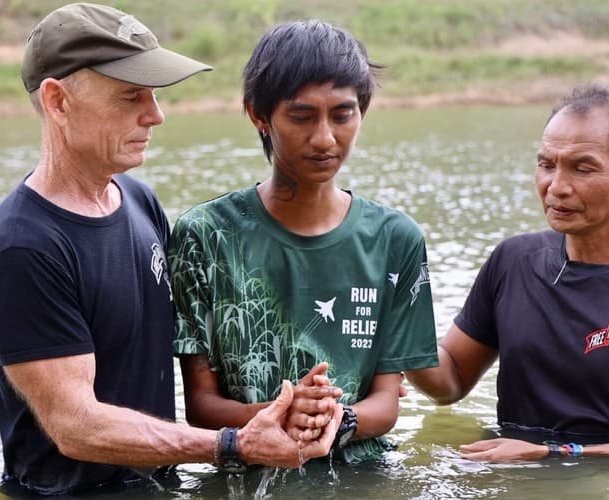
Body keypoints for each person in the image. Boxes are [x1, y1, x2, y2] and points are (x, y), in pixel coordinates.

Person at [0, 3, 341, 496]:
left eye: (154, 94)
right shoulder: (25, 248)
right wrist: (231, 445)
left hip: (160, 485)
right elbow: (76, 426)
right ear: (58, 102)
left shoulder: (138, 200)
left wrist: (276, 406)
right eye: (130, 97)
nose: (156, 114)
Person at [406, 82, 609, 461]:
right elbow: (452, 379)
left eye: (582, 168)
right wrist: (396, 324)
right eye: (546, 164)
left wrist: (552, 453)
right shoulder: (513, 261)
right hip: (516, 472)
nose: (556, 187)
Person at [169, 19, 439, 465]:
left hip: (362, 474)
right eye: (301, 116)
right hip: (248, 472)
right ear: (259, 115)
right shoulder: (204, 235)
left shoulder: (395, 239)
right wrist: (277, 415)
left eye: (342, 114)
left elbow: (387, 402)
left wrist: (337, 421)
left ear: (362, 112)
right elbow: (201, 407)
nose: (325, 139)